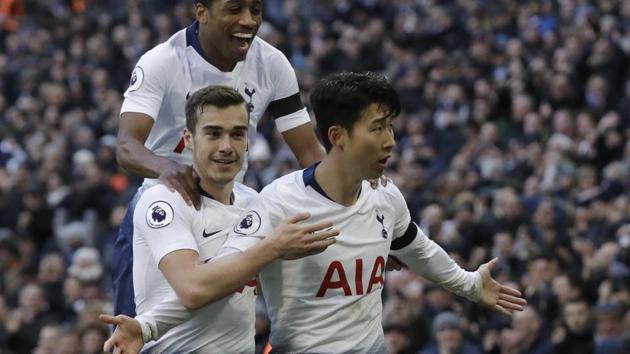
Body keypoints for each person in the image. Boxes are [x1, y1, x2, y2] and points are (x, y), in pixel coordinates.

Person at [106, 72, 527, 353]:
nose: (391, 141)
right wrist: (147, 328)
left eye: (391, 127)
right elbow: (217, 279)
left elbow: (417, 246)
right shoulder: (277, 205)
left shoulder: (385, 196)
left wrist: (472, 285)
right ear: (338, 136)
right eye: (378, 128)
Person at [112, 0, 326, 317]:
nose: (248, 20)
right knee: (133, 332)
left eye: (255, 10)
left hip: (230, 212)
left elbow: (309, 153)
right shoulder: (162, 61)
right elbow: (127, 145)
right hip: (162, 207)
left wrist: (355, 210)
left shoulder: (273, 63)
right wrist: (166, 167)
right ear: (202, 13)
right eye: (234, 10)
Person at [102, 85, 337, 353]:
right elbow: (193, 289)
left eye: (237, 134)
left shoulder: (254, 202)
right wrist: (273, 249)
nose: (226, 146)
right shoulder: (163, 201)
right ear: (188, 138)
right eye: (213, 134)